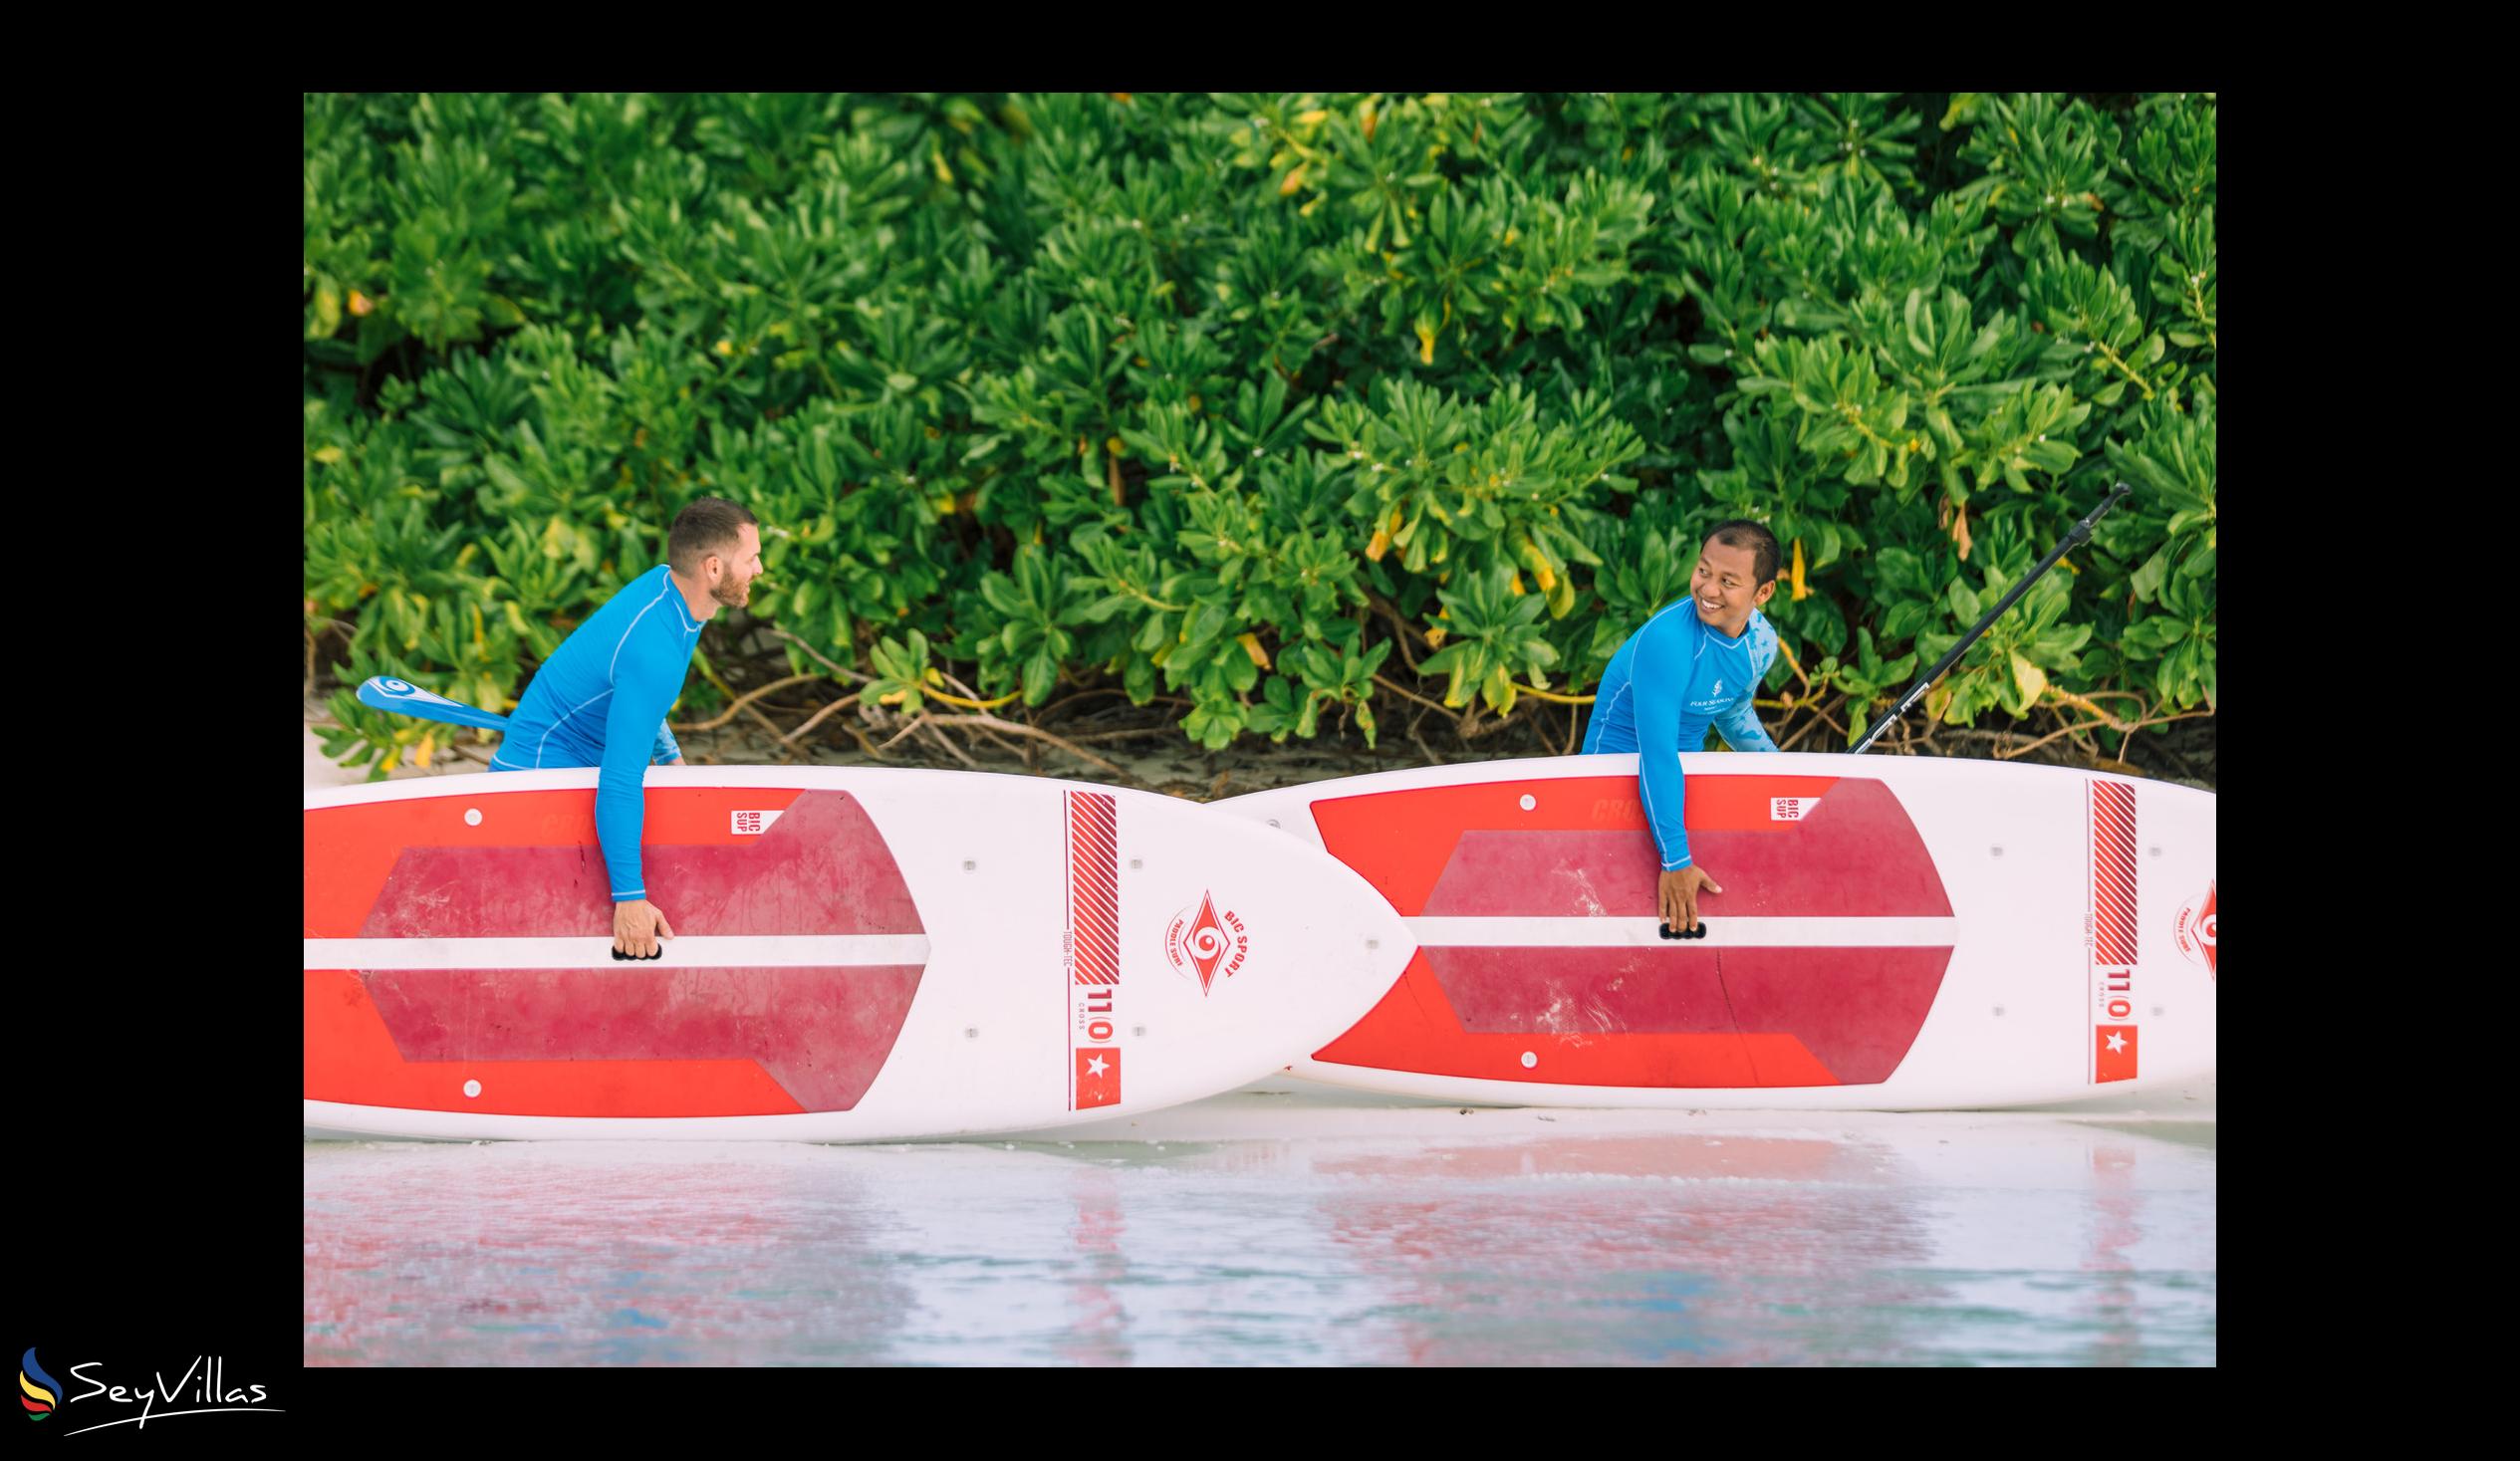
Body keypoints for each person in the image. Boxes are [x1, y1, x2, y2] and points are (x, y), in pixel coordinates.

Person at [488, 498, 766, 957]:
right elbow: (619, 781)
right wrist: (629, 900)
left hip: (575, 761)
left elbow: (639, 701)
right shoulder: (655, 646)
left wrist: (674, 762)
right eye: (751, 557)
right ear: (714, 568)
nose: (759, 568)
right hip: (536, 784)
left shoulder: (674, 595)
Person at [1582, 519, 1783, 935]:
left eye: (1728, 581)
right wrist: (1675, 861)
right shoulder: (1668, 640)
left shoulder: (1761, 644)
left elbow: (1733, 713)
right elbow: (1656, 752)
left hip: (1680, 780)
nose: (1708, 590)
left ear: (1762, 593)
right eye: (1704, 571)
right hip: (1611, 779)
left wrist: (1782, 774)